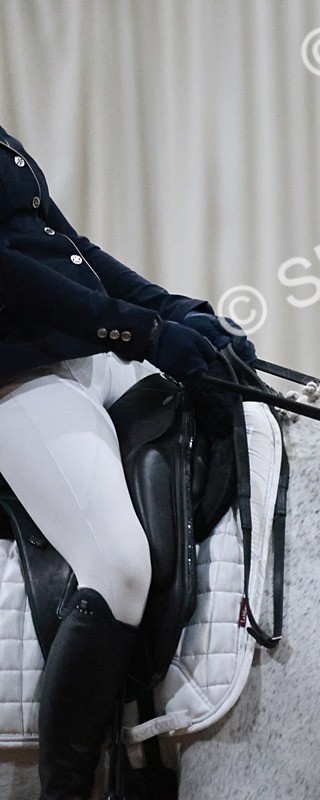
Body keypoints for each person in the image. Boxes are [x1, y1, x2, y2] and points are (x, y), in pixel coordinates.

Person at [0, 123, 254, 799]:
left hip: (79, 357)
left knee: (229, 412)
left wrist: (176, 312)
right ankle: (65, 787)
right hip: (16, 380)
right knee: (117, 563)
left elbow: (67, 251)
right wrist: (136, 331)